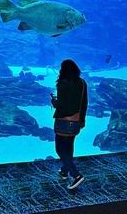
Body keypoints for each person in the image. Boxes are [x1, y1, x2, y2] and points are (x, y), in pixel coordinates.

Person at [51, 59, 88, 190]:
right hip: (76, 121)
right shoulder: (83, 83)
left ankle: (76, 175)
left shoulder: (62, 83)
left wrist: (54, 102)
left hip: (63, 122)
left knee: (60, 149)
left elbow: (63, 105)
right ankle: (64, 171)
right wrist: (82, 120)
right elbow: (84, 103)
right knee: (69, 147)